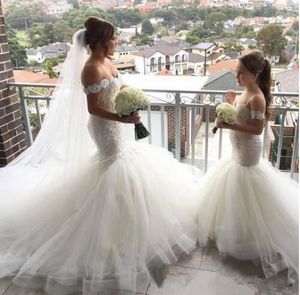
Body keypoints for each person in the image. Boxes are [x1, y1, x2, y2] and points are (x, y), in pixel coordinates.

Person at [0, 17, 200, 294]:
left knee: (123, 167)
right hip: (104, 126)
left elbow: (119, 87)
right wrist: (123, 117)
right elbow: (94, 109)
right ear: (100, 42)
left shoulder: (110, 62)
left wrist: (132, 96)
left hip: (116, 123)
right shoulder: (91, 68)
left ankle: (128, 231)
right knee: (114, 167)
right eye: (113, 38)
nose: (116, 42)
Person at [196, 50, 298, 285]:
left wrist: (228, 124)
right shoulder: (246, 92)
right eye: (236, 72)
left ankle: (252, 237)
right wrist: (232, 103)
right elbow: (243, 117)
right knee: (235, 190)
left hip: (248, 151)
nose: (237, 76)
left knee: (247, 189)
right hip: (237, 149)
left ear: (254, 74)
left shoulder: (257, 98)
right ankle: (238, 230)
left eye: (241, 73)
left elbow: (257, 129)